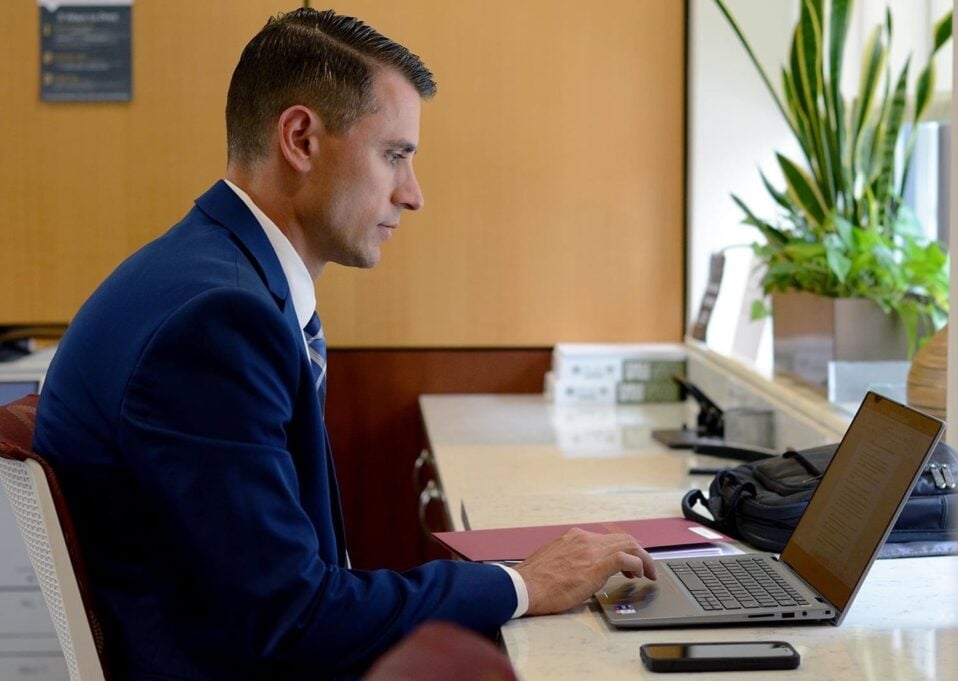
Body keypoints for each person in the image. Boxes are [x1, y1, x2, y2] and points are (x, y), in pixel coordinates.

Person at [32, 9, 655, 680]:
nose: (411, 195)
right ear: (300, 137)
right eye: (394, 155)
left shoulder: (212, 277)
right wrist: (525, 584)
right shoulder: (215, 320)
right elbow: (295, 618)